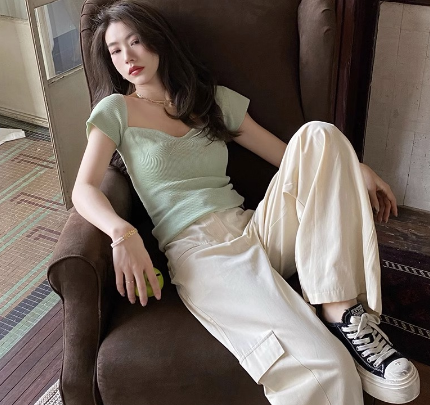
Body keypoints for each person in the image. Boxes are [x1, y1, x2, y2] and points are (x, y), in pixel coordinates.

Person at [72, 1, 420, 404]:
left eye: (135, 42)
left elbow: (293, 157)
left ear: (158, 42)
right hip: (201, 253)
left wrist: (353, 167)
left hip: (253, 228)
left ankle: (340, 310)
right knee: (329, 368)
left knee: (320, 134)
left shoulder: (210, 100)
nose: (127, 57)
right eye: (115, 50)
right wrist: (122, 233)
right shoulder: (116, 110)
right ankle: (338, 345)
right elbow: (84, 188)